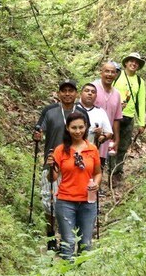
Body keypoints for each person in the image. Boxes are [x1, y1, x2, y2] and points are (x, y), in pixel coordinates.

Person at [32, 80, 89, 250]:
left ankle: (71, 239)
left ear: (76, 94)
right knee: (49, 202)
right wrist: (37, 134)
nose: (67, 94)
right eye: (63, 91)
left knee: (74, 202)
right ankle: (50, 238)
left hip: (75, 165)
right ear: (58, 94)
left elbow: (86, 136)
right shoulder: (49, 111)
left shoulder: (81, 112)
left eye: (71, 91)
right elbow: (39, 129)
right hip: (52, 163)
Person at [46, 111, 101, 261]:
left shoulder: (92, 149)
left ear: (86, 127)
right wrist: (51, 167)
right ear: (67, 128)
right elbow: (52, 178)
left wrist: (96, 183)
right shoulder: (60, 150)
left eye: (81, 127)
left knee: (86, 243)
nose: (78, 131)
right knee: (68, 241)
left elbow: (98, 173)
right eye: (74, 128)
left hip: (88, 202)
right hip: (65, 201)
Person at [112, 52, 146, 179]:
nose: (134, 64)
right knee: (112, 145)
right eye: (131, 61)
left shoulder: (139, 81)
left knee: (123, 146)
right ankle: (110, 170)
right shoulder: (117, 75)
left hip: (129, 117)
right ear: (126, 63)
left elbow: (141, 103)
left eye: (136, 62)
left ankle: (118, 171)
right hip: (114, 117)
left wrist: (141, 122)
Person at [92, 62, 123, 168]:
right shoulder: (92, 89)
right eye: (107, 71)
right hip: (89, 137)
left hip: (105, 139)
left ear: (116, 75)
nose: (109, 74)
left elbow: (116, 118)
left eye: (113, 72)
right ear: (101, 72)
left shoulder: (117, 94)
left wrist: (116, 139)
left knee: (99, 168)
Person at [77, 83, 113, 150]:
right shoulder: (73, 108)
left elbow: (109, 133)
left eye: (93, 92)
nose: (90, 93)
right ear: (80, 94)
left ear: (96, 96)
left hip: (91, 151)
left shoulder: (100, 112)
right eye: (87, 91)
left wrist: (102, 136)